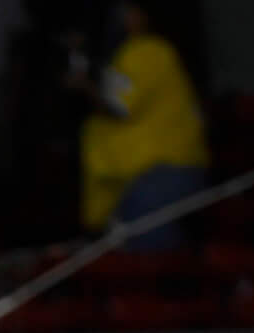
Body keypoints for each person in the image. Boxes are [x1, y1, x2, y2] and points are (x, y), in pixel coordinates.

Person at [75, 2, 207, 247]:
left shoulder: (148, 50)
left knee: (145, 257)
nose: (123, 16)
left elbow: (119, 105)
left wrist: (83, 84)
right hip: (151, 171)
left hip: (164, 170)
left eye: (129, 9)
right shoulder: (135, 52)